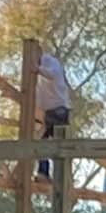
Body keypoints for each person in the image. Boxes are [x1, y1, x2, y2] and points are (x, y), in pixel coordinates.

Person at [34, 51, 71, 180]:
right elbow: (38, 95)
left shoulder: (51, 62)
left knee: (58, 145)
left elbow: (53, 74)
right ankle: (43, 172)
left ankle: (60, 176)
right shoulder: (39, 76)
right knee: (42, 142)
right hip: (48, 112)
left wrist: (37, 69)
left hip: (58, 110)